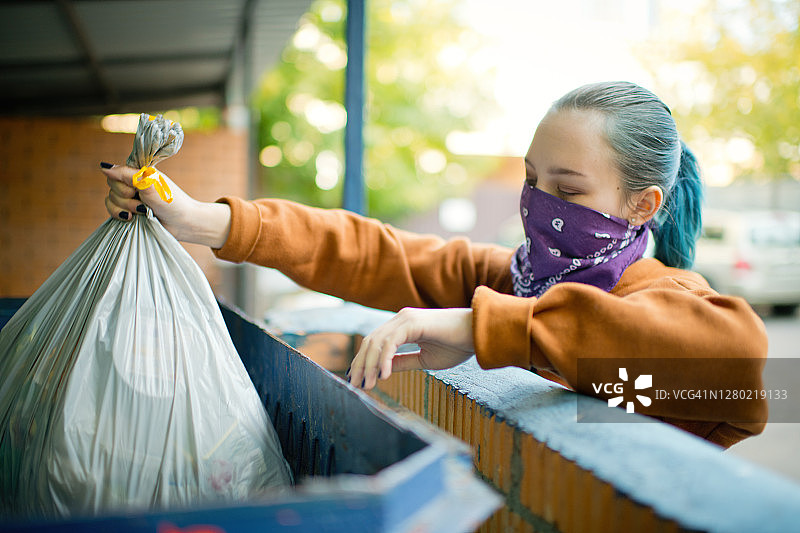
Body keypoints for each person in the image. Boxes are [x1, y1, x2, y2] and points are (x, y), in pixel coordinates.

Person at [103, 81, 768, 448]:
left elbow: (746, 370)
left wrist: (485, 329)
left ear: (641, 203)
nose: (541, 206)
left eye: (568, 191)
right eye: (533, 181)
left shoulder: (672, 296)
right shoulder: (520, 280)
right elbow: (374, 251)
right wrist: (201, 220)